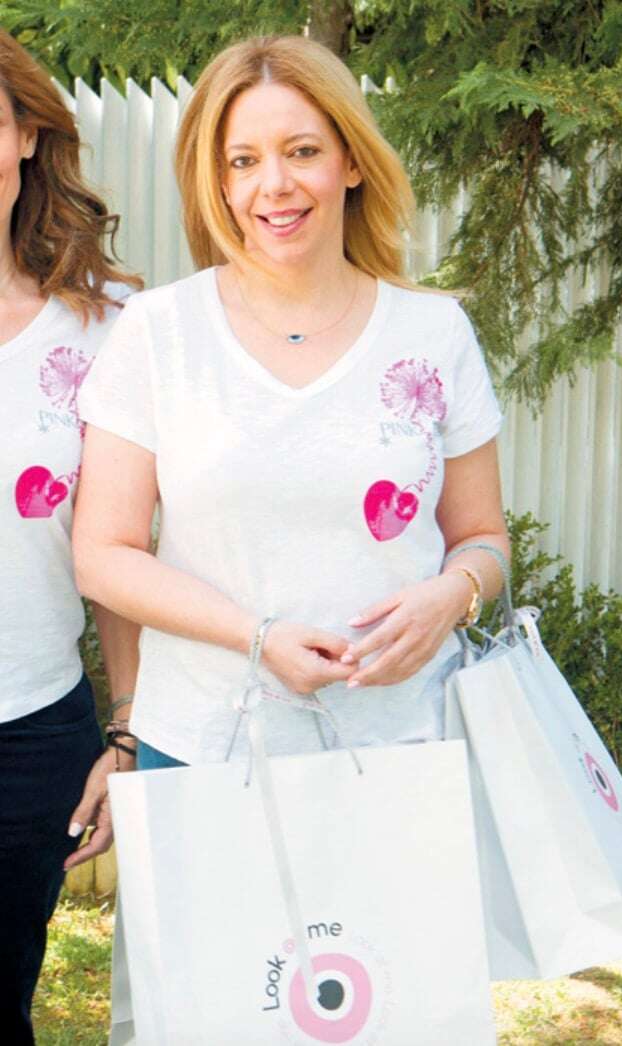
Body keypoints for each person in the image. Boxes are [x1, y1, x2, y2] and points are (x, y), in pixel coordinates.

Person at [73, 34, 509, 775]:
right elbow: (102, 556)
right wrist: (257, 637)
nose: (273, 184)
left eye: (302, 151)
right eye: (243, 161)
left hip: (405, 747)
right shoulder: (157, 331)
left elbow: (483, 536)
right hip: (204, 749)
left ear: (352, 162)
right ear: (218, 183)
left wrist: (453, 595)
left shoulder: (434, 333)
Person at [0, 30, 141, 1043]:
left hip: (31, 734)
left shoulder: (106, 328)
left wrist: (125, 729)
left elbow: (125, 552)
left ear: (25, 134)